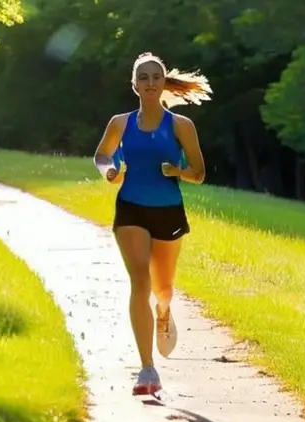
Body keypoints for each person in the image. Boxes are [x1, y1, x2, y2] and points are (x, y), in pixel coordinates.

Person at [92, 52, 212, 396]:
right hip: (130, 209)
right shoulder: (120, 123)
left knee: (163, 288)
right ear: (134, 85)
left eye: (154, 77)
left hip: (168, 212)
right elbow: (102, 155)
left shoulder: (180, 126)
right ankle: (147, 370)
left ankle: (164, 311)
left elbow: (199, 174)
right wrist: (109, 171)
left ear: (163, 84)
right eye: (142, 78)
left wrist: (177, 171)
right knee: (139, 281)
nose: (149, 82)